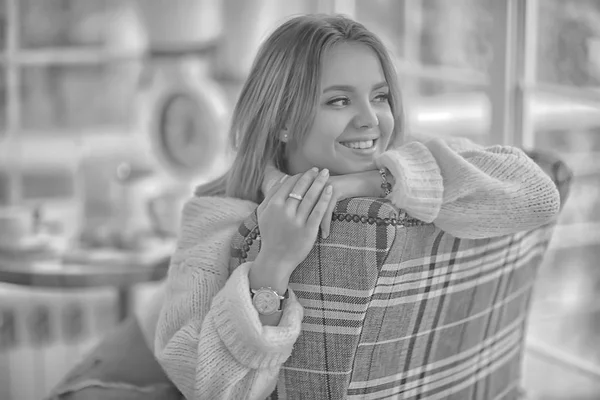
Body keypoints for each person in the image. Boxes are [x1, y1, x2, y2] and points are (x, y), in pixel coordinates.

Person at [153, 14, 560, 400]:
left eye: (380, 97)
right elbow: (202, 386)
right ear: (283, 119)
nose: (371, 120)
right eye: (339, 101)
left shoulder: (412, 171)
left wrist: (371, 181)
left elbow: (540, 195)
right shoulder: (216, 218)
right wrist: (272, 266)